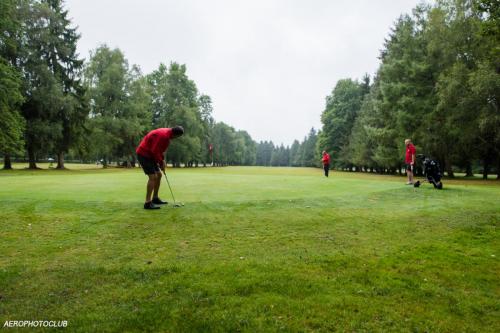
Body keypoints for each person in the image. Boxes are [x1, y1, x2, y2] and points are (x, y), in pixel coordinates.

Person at [136, 126, 184, 209]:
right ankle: (147, 203)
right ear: (176, 135)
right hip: (143, 154)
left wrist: (163, 161)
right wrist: (161, 162)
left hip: (150, 155)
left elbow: (159, 150)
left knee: (159, 174)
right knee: (153, 177)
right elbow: (154, 151)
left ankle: (155, 198)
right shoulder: (164, 136)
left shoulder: (167, 136)